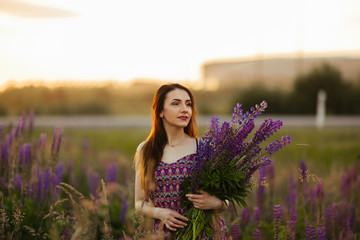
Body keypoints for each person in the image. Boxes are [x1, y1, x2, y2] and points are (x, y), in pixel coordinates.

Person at [134, 83, 229, 239]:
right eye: (176, 103)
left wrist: (216, 203)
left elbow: (226, 201)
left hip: (206, 232)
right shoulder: (146, 150)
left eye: (188, 104)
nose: (185, 109)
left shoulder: (204, 147)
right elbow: (140, 203)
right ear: (160, 111)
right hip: (166, 233)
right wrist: (160, 213)